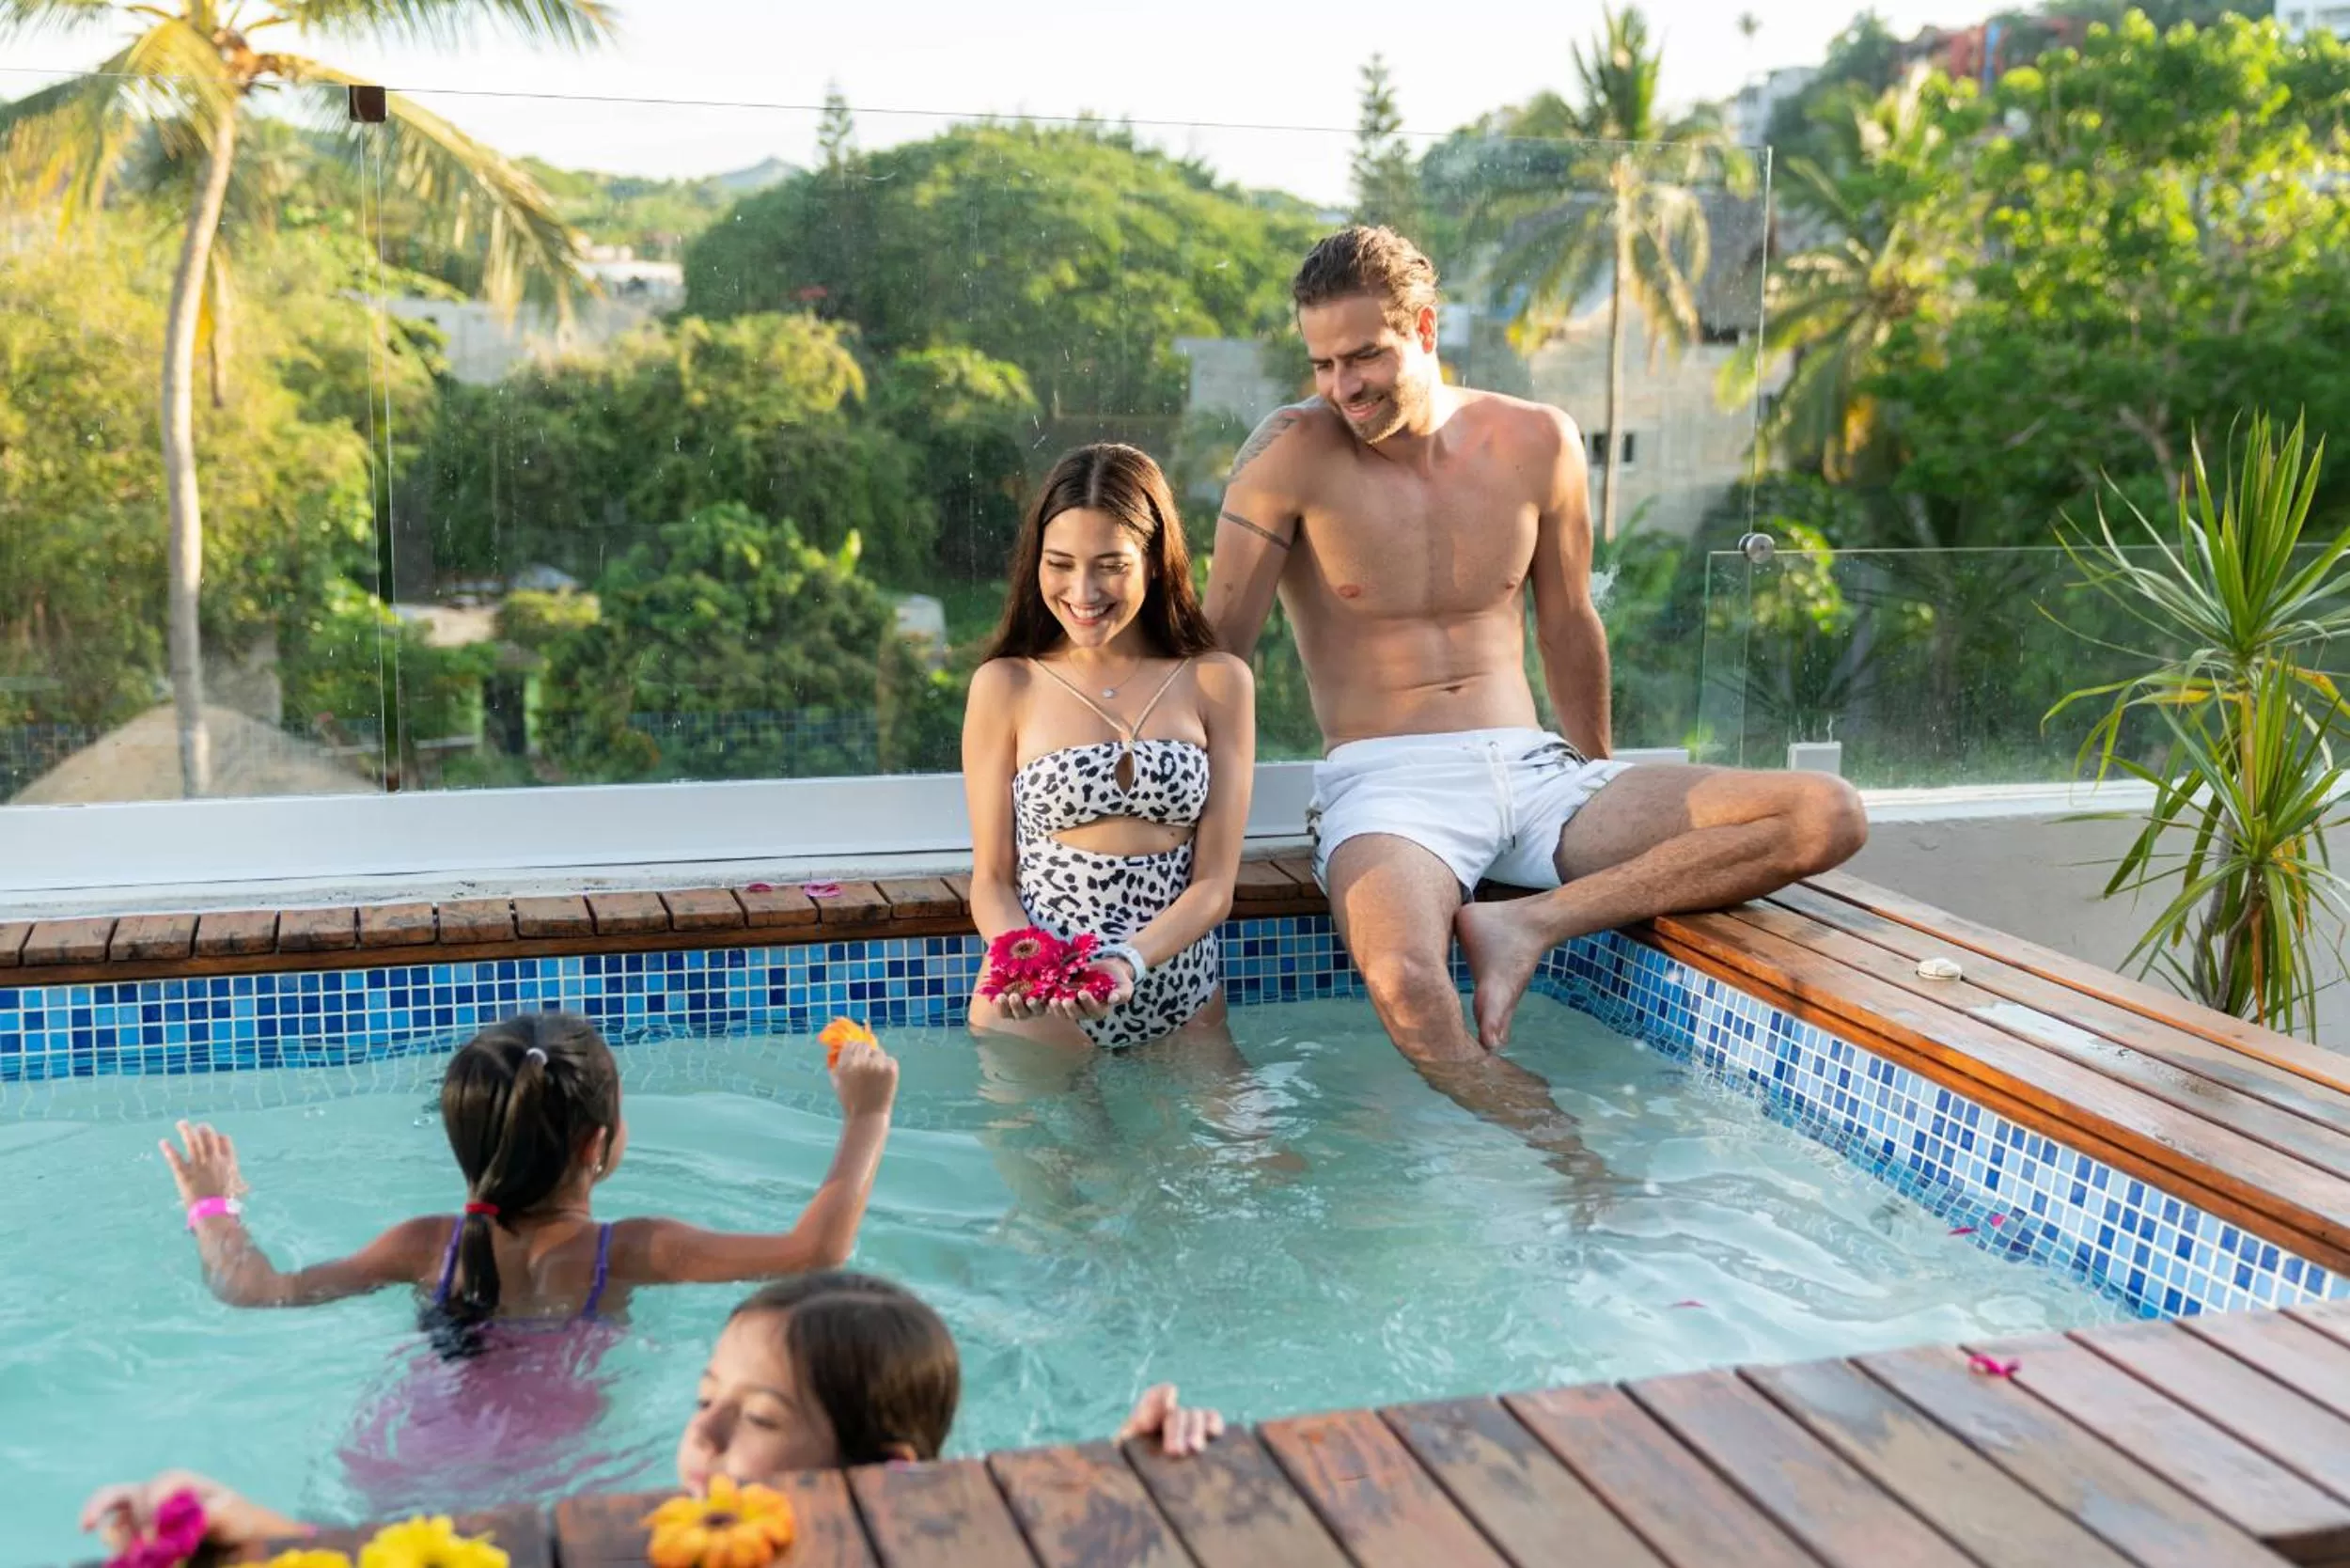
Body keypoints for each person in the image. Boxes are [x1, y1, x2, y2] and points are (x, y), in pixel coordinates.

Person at [1203, 227, 1866, 1133]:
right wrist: (1191, 841)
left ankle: (1530, 924)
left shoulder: (1538, 439)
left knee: (1824, 813)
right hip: (1387, 786)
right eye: (1322, 363)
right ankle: (1555, 1147)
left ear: (1425, 329)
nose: (1342, 387)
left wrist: (1600, 781)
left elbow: (1566, 624)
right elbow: (1218, 656)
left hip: (1538, 772)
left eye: (1365, 355)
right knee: (1404, 981)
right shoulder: (1289, 456)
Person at [82, 1273, 1224, 1552]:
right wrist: (252, 1530)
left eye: (758, 1419)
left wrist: (1140, 1479)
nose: (704, 1443)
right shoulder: (655, 1547)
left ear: (877, 1470)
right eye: (704, 1402)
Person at [159, 1011, 901, 1324]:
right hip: (559, 1473)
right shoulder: (631, 1250)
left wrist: (211, 1208)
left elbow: (259, 1291)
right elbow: (818, 1253)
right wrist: (868, 1116)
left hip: (410, 1451)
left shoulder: (421, 1245)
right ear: (597, 1145)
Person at [962, 443, 1257, 1051]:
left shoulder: (1217, 681)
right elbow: (992, 879)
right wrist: (1028, 960)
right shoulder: (1007, 685)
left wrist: (1126, 961)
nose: (1082, 590)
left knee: (1252, 1149)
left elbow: (1214, 888)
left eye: (1110, 565)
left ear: (1153, 560)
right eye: (1060, 563)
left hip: (1181, 995)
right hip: (1042, 1006)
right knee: (1069, 1151)